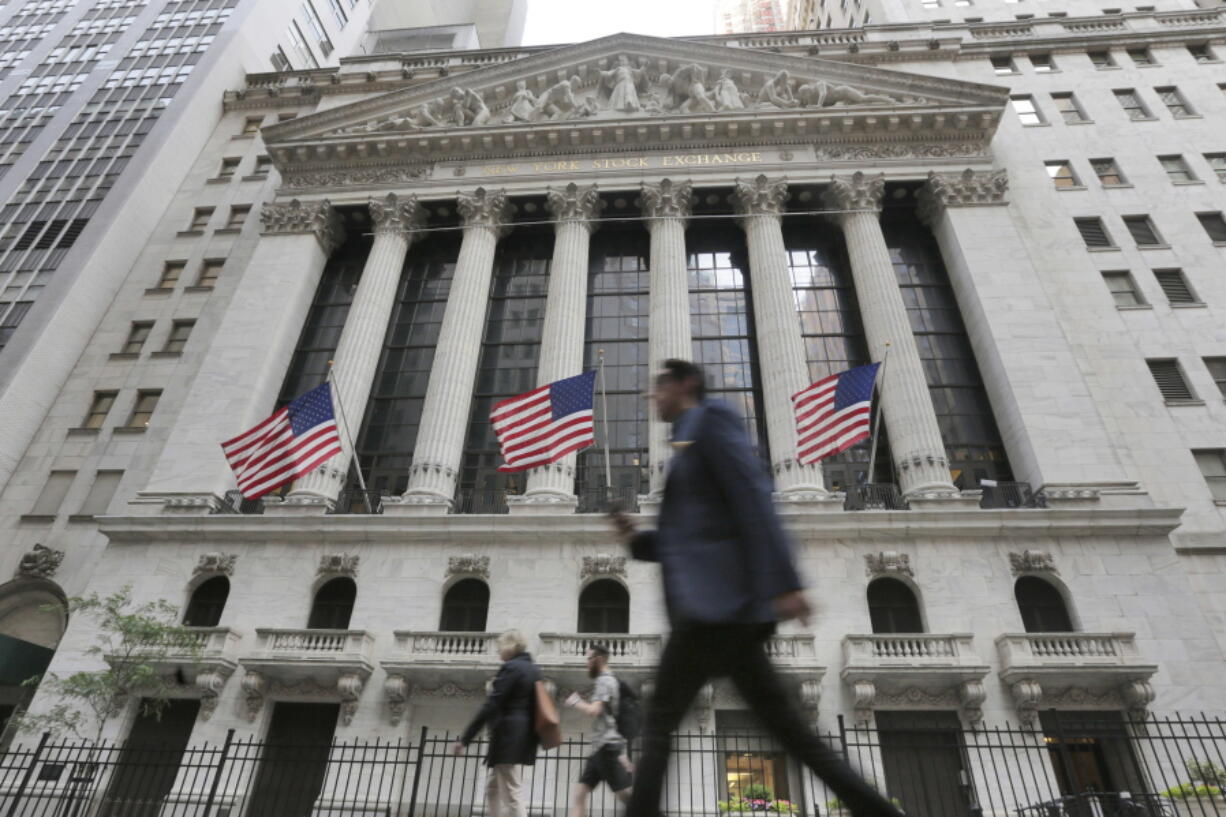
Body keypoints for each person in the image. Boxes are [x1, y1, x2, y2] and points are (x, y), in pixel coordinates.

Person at [609, 360, 906, 817]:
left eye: (660, 387)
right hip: (714, 615)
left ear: (686, 384)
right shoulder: (686, 444)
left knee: (662, 723)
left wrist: (784, 581)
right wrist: (635, 539)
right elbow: (686, 539)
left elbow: (751, 495)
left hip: (719, 611)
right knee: (788, 733)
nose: (654, 397)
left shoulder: (714, 422)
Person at [453, 630, 541, 817]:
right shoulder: (533, 669)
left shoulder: (512, 668)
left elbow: (492, 704)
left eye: (500, 648)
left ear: (510, 647)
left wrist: (466, 739)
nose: (498, 652)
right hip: (522, 736)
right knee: (493, 789)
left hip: (508, 736)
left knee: (511, 791)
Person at [564, 645, 633, 817]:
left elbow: (593, 710)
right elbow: (612, 717)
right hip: (601, 748)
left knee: (625, 795)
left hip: (607, 748)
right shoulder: (610, 680)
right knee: (580, 794)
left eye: (589, 659)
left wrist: (574, 701)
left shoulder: (605, 680)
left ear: (599, 659)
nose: (587, 663)